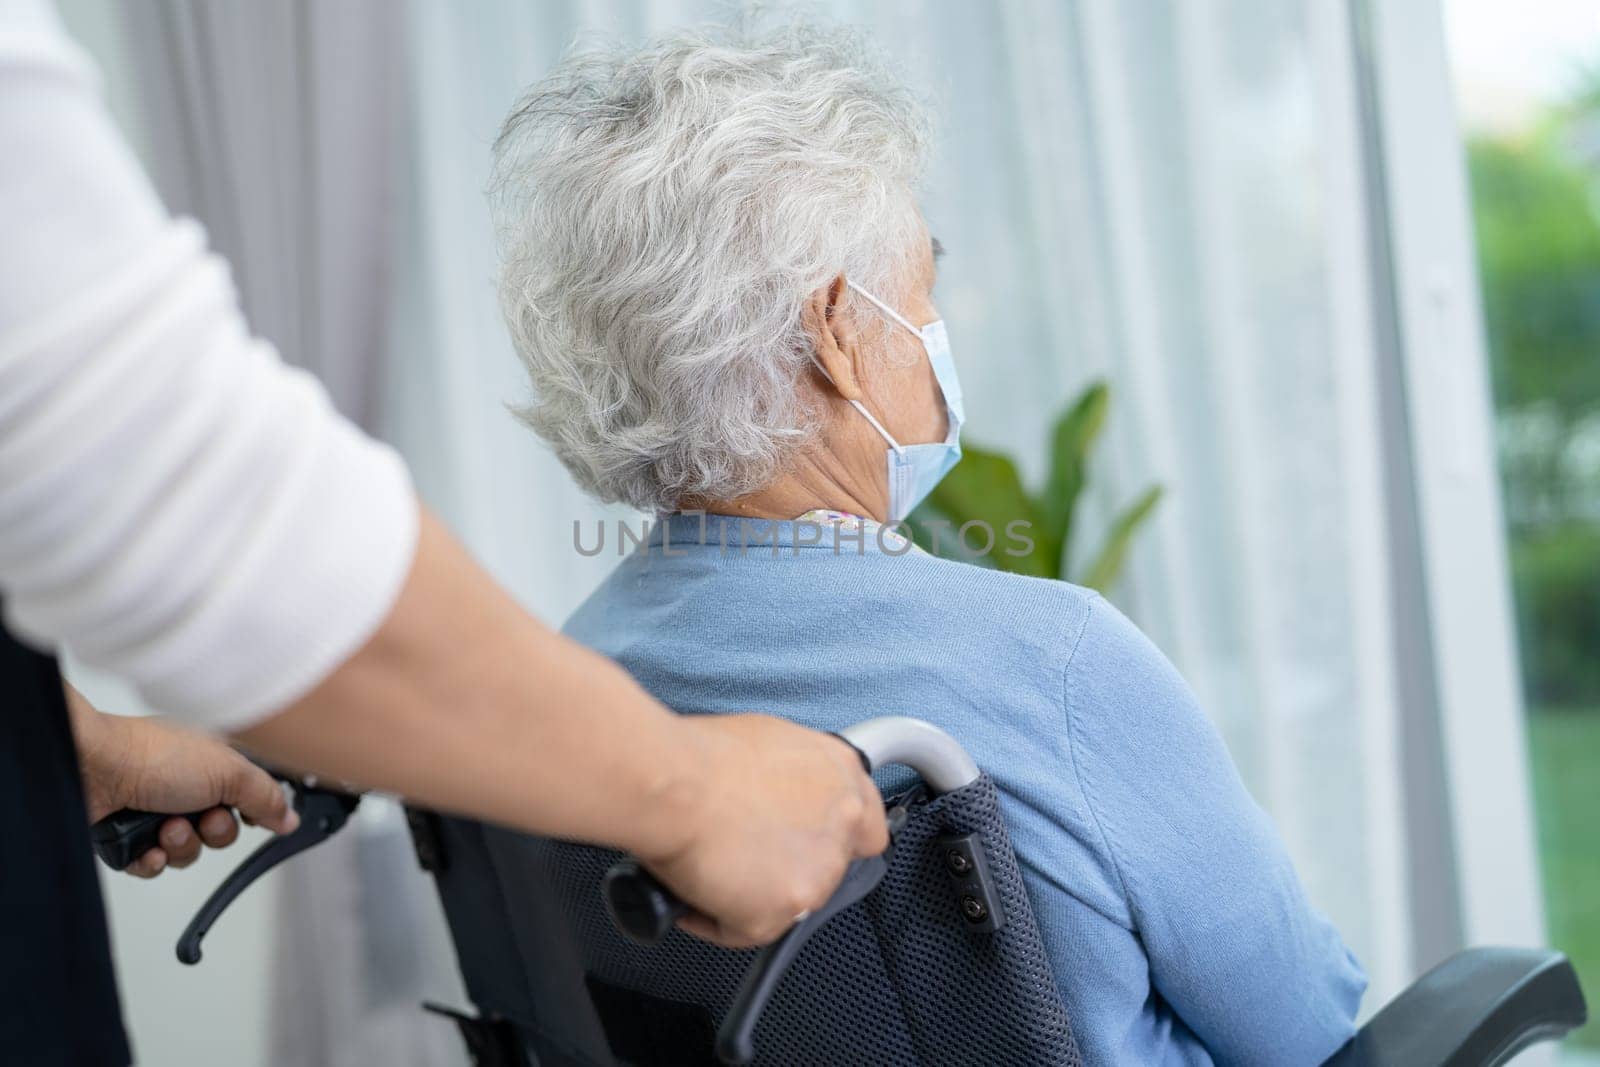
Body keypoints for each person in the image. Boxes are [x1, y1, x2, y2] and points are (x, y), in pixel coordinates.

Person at [0, 4, 886, 1065]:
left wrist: (87, 744)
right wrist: (689, 793)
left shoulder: (594, 642)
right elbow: (179, 489)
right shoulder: (1059, 663)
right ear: (834, 334)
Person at [489, 24, 1369, 1065]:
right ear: (840, 336)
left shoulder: (562, 689)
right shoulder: (1052, 664)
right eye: (919, 294)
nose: (935, 332)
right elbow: (1303, 1028)